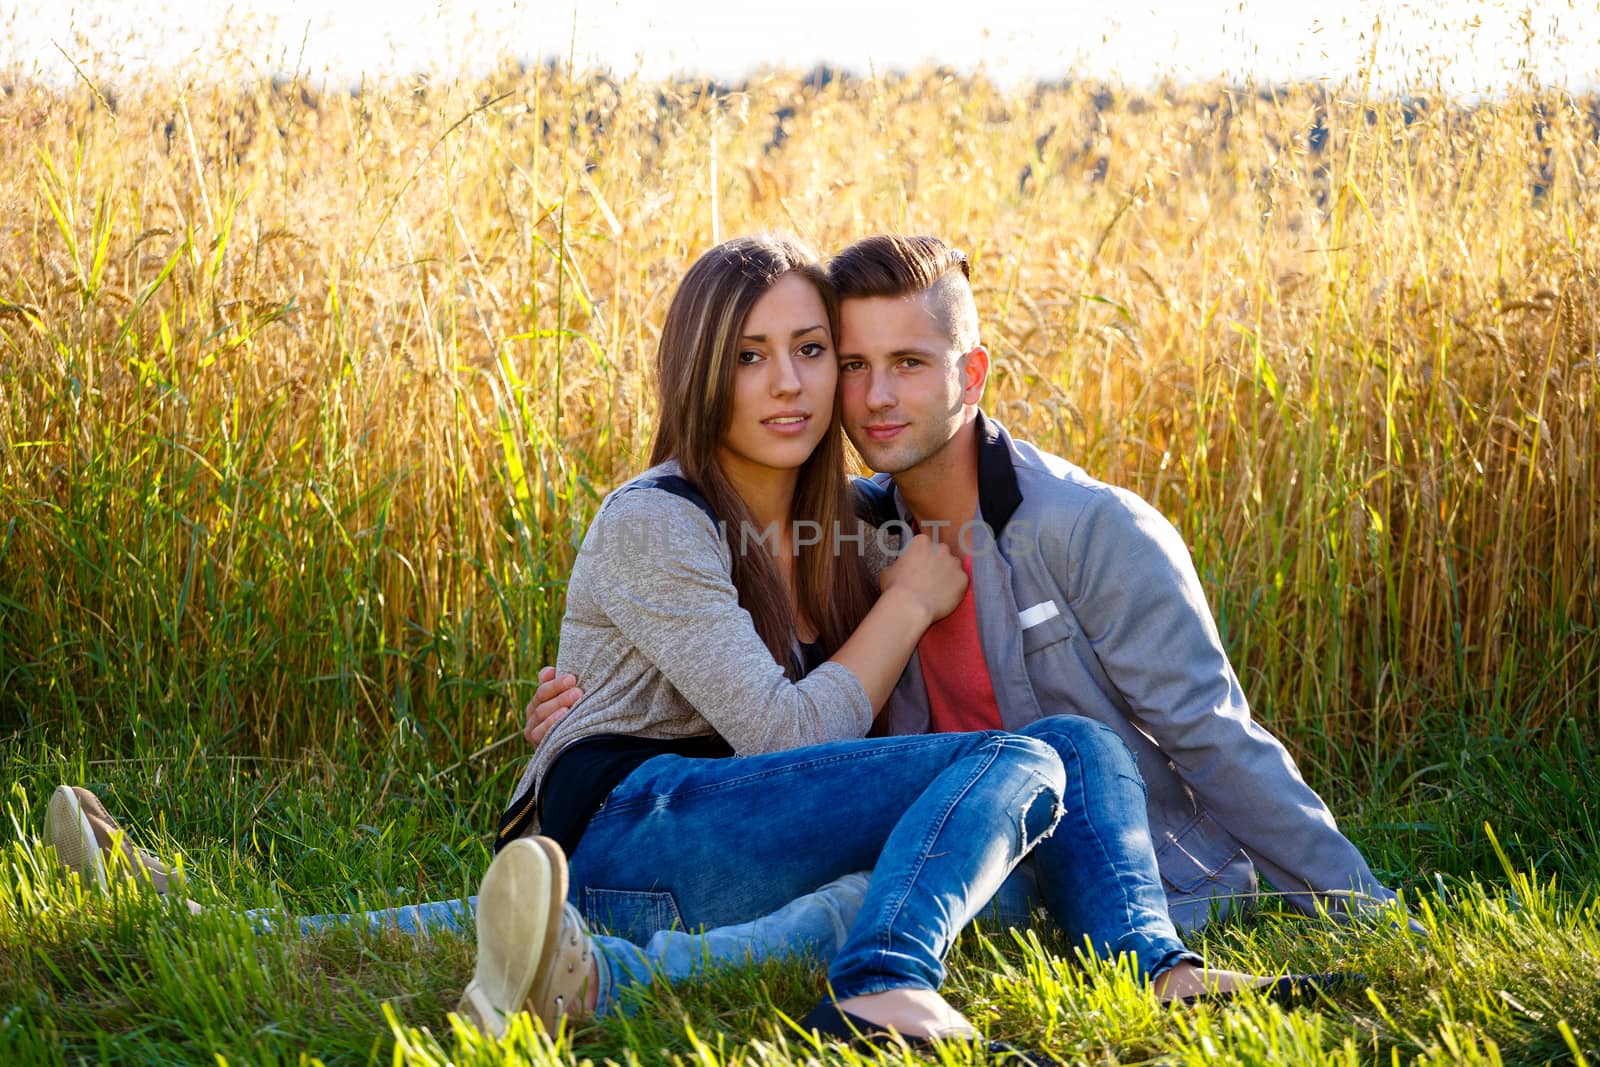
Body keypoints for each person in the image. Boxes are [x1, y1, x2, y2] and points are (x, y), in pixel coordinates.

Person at [472, 233, 1312, 1044]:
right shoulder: (657, 520)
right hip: (636, 835)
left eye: (810, 351)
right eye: (749, 356)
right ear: (702, 373)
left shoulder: (854, 527)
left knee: (1075, 747)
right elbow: (786, 736)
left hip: (754, 833)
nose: (789, 385)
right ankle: (883, 979)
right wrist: (906, 605)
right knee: (1014, 759)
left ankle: (1160, 968)